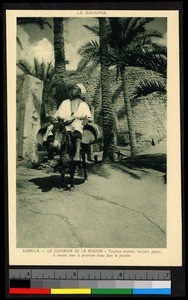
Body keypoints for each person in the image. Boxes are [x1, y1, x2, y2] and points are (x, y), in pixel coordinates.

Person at [43, 83, 93, 161]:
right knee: (53, 129)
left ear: (80, 92)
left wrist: (82, 119)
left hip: (76, 123)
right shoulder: (65, 102)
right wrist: (53, 118)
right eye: (73, 88)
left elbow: (89, 118)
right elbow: (57, 114)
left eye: (76, 88)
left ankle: (76, 154)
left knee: (77, 128)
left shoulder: (84, 105)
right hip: (63, 123)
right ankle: (54, 151)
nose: (73, 90)